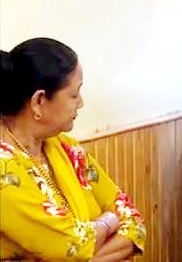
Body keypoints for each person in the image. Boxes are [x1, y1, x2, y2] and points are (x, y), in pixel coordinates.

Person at [1, 38, 146, 261]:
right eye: (74, 94)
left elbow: (133, 222)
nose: (81, 103)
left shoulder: (67, 149)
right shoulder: (4, 171)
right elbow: (72, 247)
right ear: (39, 101)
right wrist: (108, 222)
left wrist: (91, 245)